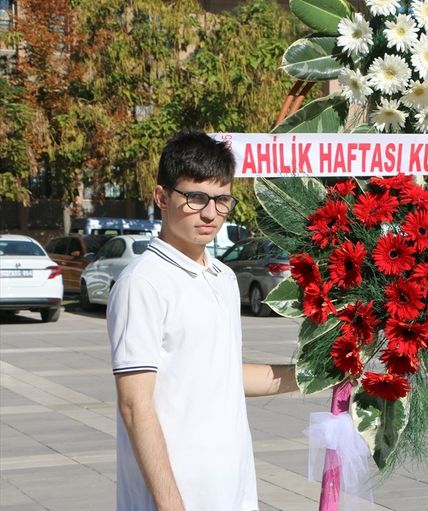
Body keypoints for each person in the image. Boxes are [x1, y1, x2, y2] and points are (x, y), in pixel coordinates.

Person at [107, 130, 297, 511]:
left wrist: (317, 374)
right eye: (195, 198)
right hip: (175, 498)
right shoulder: (143, 283)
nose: (210, 213)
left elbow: (226, 377)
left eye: (222, 200)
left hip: (232, 492)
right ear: (162, 197)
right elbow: (134, 405)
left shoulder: (223, 278)